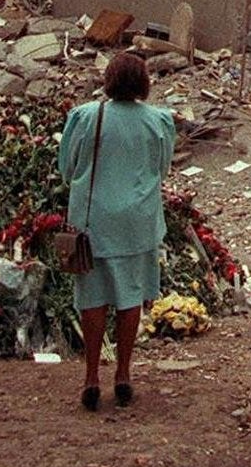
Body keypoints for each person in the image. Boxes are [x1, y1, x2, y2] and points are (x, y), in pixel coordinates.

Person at [60, 52, 176, 411]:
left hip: (94, 221)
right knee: (130, 298)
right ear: (144, 82)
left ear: (108, 80)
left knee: (92, 299)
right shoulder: (159, 121)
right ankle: (123, 373)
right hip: (138, 222)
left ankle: (92, 376)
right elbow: (164, 167)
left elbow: (67, 167)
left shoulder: (86, 116)